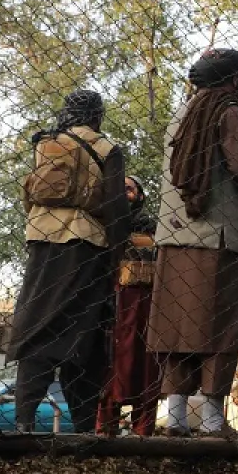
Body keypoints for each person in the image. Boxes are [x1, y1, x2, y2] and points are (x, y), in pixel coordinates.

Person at [149, 49, 238, 438]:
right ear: (234, 80)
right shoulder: (230, 112)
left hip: (175, 239)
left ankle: (174, 418)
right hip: (221, 238)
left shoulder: (181, 115)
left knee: (178, 330)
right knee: (221, 331)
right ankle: (213, 421)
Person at [7, 89, 128, 435]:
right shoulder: (106, 149)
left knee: (38, 321)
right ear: (97, 116)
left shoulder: (47, 142)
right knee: (84, 330)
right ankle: (85, 426)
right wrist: (116, 255)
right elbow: (117, 207)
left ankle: (24, 419)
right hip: (87, 244)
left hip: (43, 240)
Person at [96, 175, 162, 437]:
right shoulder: (103, 225)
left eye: (130, 189)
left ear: (141, 195)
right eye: (119, 189)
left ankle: (143, 435)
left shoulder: (154, 229)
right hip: (112, 307)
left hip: (147, 308)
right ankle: (103, 433)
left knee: (146, 367)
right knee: (110, 368)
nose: (125, 194)